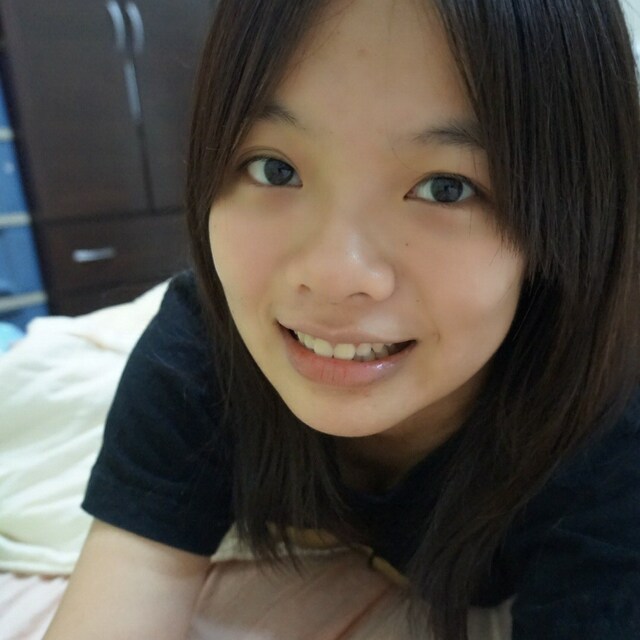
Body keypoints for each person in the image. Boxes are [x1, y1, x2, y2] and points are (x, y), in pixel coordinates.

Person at [44, 0, 640, 638]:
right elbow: (137, 567)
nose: (334, 276)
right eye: (275, 168)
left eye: (446, 187)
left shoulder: (609, 438)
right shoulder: (203, 349)